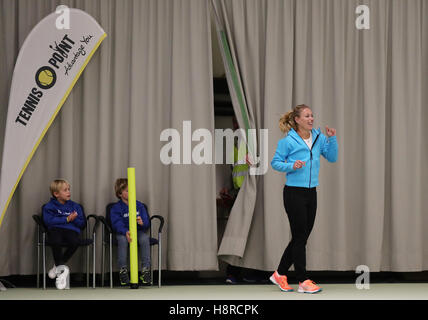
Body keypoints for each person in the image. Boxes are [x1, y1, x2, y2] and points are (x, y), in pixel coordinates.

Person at [270, 104, 338, 294]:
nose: (311, 119)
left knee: (302, 237)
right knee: (300, 237)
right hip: (294, 193)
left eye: (312, 115)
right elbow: (275, 163)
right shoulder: (288, 141)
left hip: (311, 192)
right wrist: (292, 165)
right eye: (307, 116)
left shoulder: (318, 137)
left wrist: (332, 139)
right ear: (297, 119)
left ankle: (280, 274)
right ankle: (302, 280)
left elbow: (332, 158)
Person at [43, 179, 86, 289]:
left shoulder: (75, 206)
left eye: (69, 189)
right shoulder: (49, 206)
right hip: (55, 230)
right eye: (65, 190)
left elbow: (82, 224)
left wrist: (73, 220)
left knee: (75, 242)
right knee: (55, 241)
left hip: (71, 230)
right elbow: (48, 221)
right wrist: (66, 219)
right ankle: (62, 272)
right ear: (56, 194)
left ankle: (57, 266)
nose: (68, 192)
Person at [110, 178, 151, 286]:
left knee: (144, 239)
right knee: (122, 241)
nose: (131, 193)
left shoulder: (139, 205)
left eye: (132, 190)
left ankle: (145, 270)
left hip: (138, 232)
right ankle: (123, 270)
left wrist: (142, 223)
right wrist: (125, 231)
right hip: (123, 233)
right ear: (120, 193)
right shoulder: (116, 208)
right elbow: (116, 223)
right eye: (127, 191)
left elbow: (146, 222)